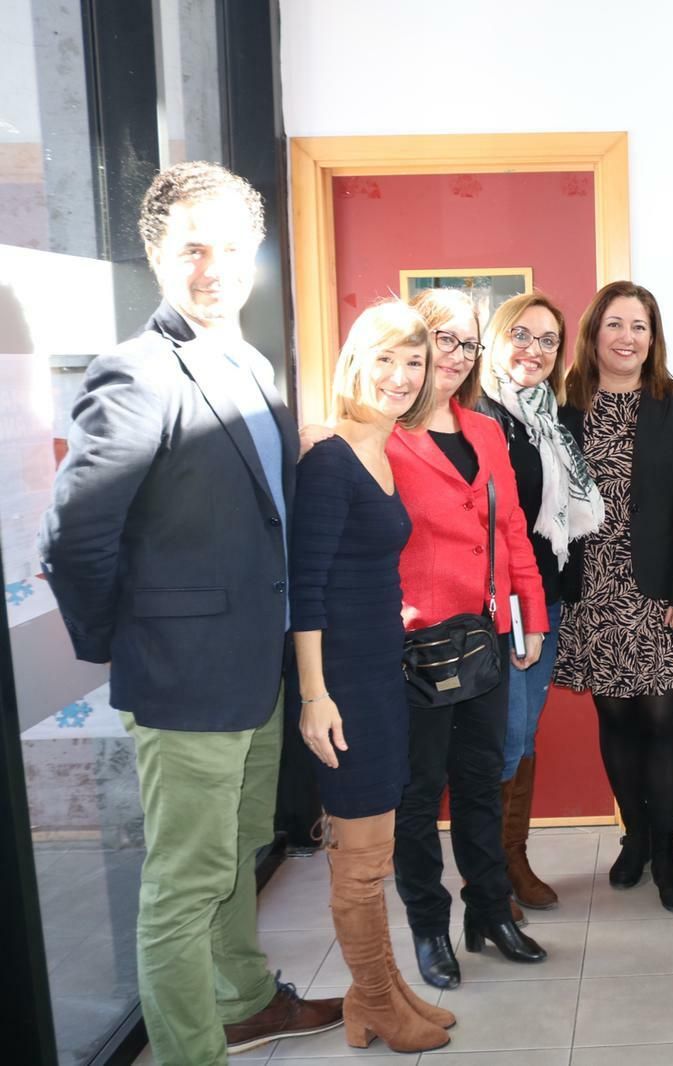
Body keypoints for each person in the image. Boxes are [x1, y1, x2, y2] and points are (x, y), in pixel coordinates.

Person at [39, 161, 343, 1062]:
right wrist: (128, 645)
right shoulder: (136, 372)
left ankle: (242, 1002)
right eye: (190, 250)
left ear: (256, 254)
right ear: (157, 257)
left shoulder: (250, 364)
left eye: (230, 249)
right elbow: (74, 538)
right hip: (185, 682)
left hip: (255, 671)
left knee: (238, 852)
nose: (212, 269)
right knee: (185, 882)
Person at [291, 300, 456, 1053]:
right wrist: (315, 695)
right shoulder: (330, 459)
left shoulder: (379, 448)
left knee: (376, 853)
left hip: (380, 676)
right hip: (344, 687)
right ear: (356, 361)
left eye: (414, 362)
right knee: (358, 866)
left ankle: (378, 993)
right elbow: (306, 590)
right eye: (385, 358)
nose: (401, 375)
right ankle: (378, 1005)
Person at [390, 288, 550, 988]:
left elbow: (512, 529)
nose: (456, 355)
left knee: (482, 782)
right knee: (419, 795)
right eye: (443, 339)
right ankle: (430, 928)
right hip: (412, 649)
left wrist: (530, 614)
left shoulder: (484, 431)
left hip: (483, 640)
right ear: (414, 342)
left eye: (468, 343)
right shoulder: (379, 434)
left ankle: (489, 912)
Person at [554, 281, 673, 913]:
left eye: (639, 326)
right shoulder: (564, 403)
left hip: (661, 593)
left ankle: (668, 851)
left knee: (660, 722)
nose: (626, 337)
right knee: (615, 720)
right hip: (590, 588)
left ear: (653, 338)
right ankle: (635, 837)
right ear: (594, 333)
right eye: (615, 324)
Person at [476, 291, 604, 916]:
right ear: (495, 340)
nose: (535, 349)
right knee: (503, 737)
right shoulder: (475, 417)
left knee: (523, 732)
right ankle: (491, 876)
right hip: (494, 607)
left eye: (549, 340)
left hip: (544, 600)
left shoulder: (548, 419)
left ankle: (511, 858)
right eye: (521, 335)